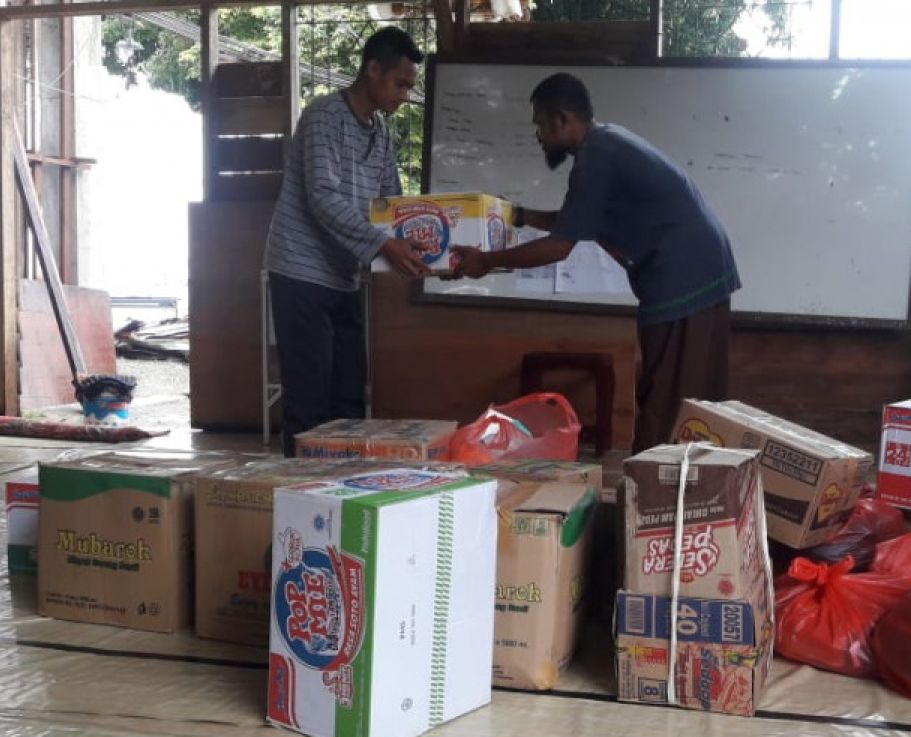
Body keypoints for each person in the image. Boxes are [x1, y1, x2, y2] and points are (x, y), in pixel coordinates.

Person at [451, 72, 740, 453]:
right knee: (688, 395)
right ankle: (681, 491)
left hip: (683, 275)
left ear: (561, 119)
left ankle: (654, 493)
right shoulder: (607, 143)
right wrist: (519, 215)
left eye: (540, 124)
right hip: (699, 268)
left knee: (668, 398)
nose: (539, 135)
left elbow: (559, 247)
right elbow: (575, 220)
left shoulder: (596, 157)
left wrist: (487, 261)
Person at [263, 27, 430, 457]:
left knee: (350, 398)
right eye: (401, 83)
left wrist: (421, 244)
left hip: (344, 277)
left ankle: (346, 493)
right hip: (300, 272)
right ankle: (303, 501)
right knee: (309, 400)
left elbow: (392, 203)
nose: (405, 95)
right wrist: (384, 246)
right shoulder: (324, 116)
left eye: (410, 86)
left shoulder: (382, 132)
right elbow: (323, 197)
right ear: (372, 70)